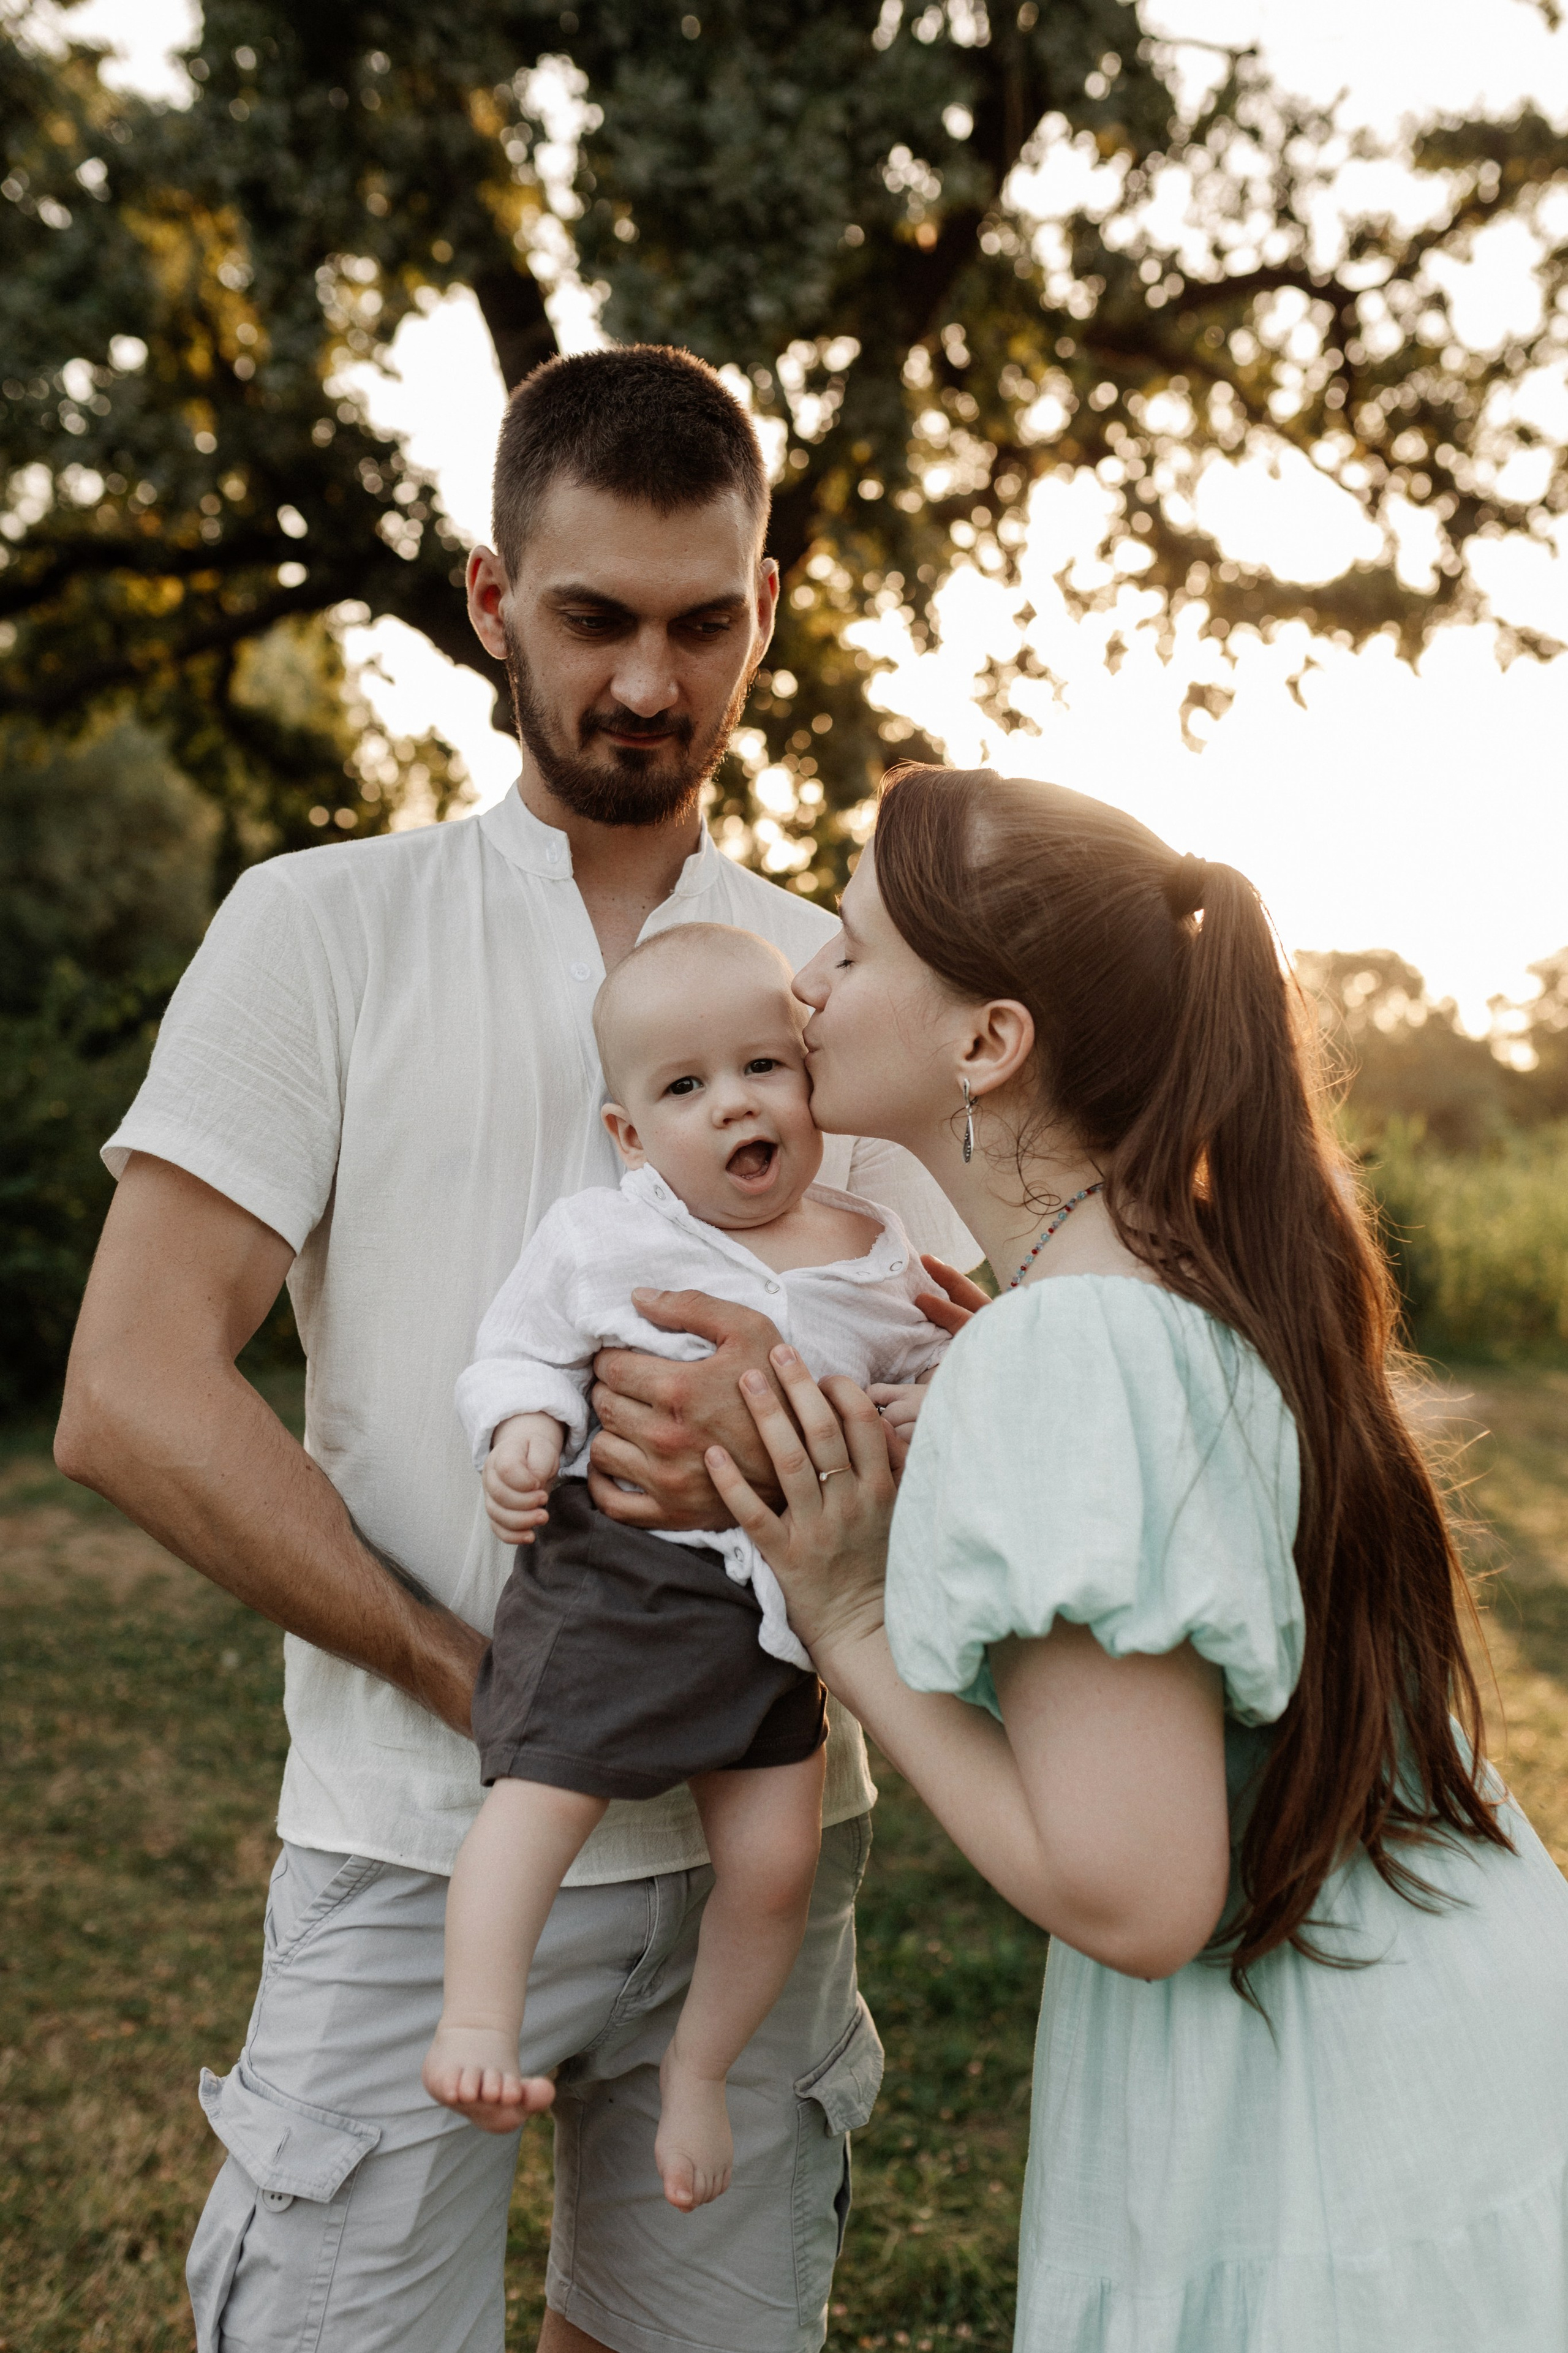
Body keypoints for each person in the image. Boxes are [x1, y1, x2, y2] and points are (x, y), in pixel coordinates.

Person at [51, 349, 973, 2353]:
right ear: (490, 602)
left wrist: (824, 1447)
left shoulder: (848, 973)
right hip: (417, 1852)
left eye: (701, 621)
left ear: (768, 614)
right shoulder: (320, 928)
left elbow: (982, 1378)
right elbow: (129, 1388)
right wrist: (480, 1683)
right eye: (594, 618)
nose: (651, 678)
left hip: (767, 1863)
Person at [699, 763, 1568, 2352]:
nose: (804, 985)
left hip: (1315, 2109)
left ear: (989, 1040)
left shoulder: (1071, 1345)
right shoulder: (1178, 1273)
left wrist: (850, 1609)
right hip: (1455, 2017)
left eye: (852, 947)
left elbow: (1139, 1892)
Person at [424, 923, 948, 2211]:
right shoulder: (604, 1239)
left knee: (774, 1866)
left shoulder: (877, 1247)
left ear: (809, 1079)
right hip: (622, 1579)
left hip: (787, 1615)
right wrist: (521, 1425)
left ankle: (700, 2067)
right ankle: (475, 2020)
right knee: (540, 1799)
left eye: (763, 1065)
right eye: (684, 1087)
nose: (734, 1104)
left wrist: (929, 1404)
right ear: (628, 1134)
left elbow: (939, 1367)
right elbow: (517, 1348)